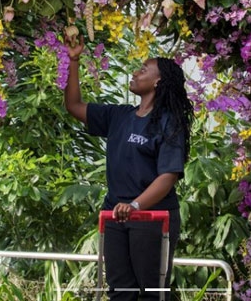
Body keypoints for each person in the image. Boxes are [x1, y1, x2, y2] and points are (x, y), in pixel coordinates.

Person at [64, 35, 194, 301]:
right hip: (115, 214)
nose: (135, 72)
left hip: (153, 217)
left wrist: (135, 205)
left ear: (158, 81)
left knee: (152, 294)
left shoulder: (170, 123)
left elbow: (167, 176)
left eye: (143, 69)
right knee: (120, 292)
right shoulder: (119, 116)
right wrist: (74, 60)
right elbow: (74, 105)